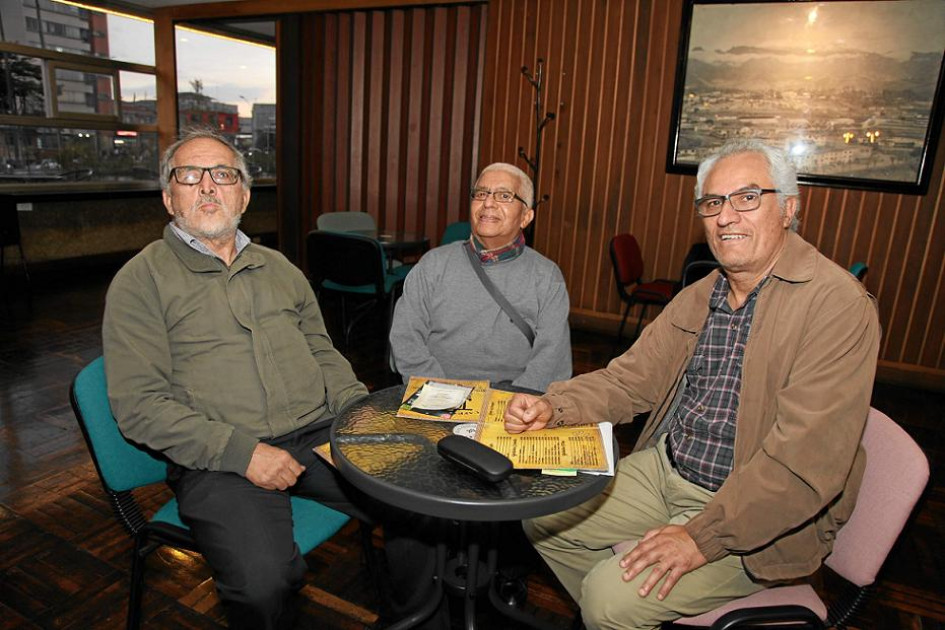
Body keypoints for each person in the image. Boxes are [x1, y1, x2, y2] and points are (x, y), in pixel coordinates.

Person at [504, 139, 881, 630]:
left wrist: (701, 537)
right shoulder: (701, 295)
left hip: (753, 510)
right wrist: (555, 407)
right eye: (713, 202)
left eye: (747, 197)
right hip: (668, 468)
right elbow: (629, 379)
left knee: (607, 599)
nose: (726, 216)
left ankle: (616, 612)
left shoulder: (837, 306)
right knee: (540, 515)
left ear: (789, 209)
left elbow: (802, 464)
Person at [103, 129, 377, 630]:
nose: (208, 186)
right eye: (190, 175)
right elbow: (139, 405)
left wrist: (356, 412)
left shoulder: (279, 268)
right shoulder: (140, 281)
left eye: (224, 174)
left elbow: (322, 351)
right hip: (218, 455)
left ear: (244, 196)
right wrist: (243, 454)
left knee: (419, 504)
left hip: (315, 433)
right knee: (262, 582)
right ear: (169, 198)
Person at [389, 162, 572, 392]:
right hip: (436, 393)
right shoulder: (433, 265)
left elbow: (551, 361)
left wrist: (514, 403)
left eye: (504, 196)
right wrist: (439, 393)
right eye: (481, 194)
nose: (488, 203)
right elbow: (405, 339)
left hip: (512, 400)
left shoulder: (546, 277)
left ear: (526, 217)